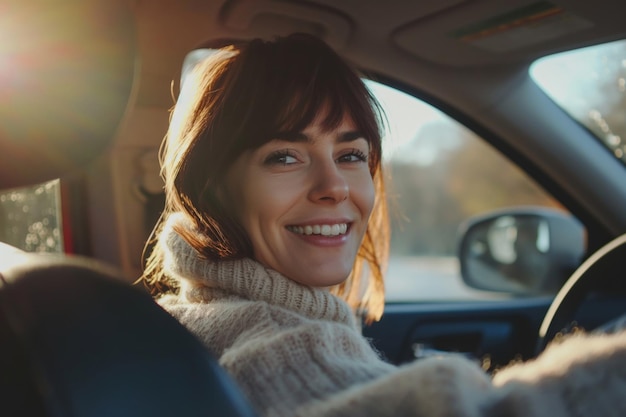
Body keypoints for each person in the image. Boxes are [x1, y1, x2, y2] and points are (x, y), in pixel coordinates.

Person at [141, 33, 626, 417]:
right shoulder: (274, 344)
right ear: (209, 189)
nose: (335, 186)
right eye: (284, 156)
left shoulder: (188, 318)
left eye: (351, 155)